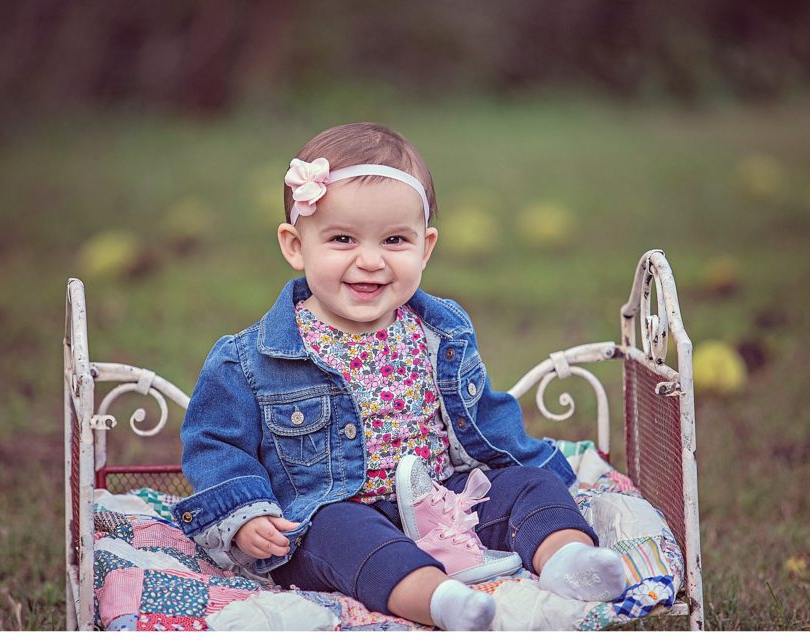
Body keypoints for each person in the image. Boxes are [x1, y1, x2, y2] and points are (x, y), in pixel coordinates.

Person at [174, 122, 626, 631]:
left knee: (529, 488)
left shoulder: (440, 331)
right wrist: (245, 516)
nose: (370, 261)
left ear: (425, 247)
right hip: (332, 510)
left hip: (447, 497)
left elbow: (484, 418)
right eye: (342, 239)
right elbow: (216, 445)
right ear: (296, 246)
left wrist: (540, 471)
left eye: (394, 240)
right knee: (345, 538)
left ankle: (570, 560)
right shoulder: (252, 358)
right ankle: (438, 599)